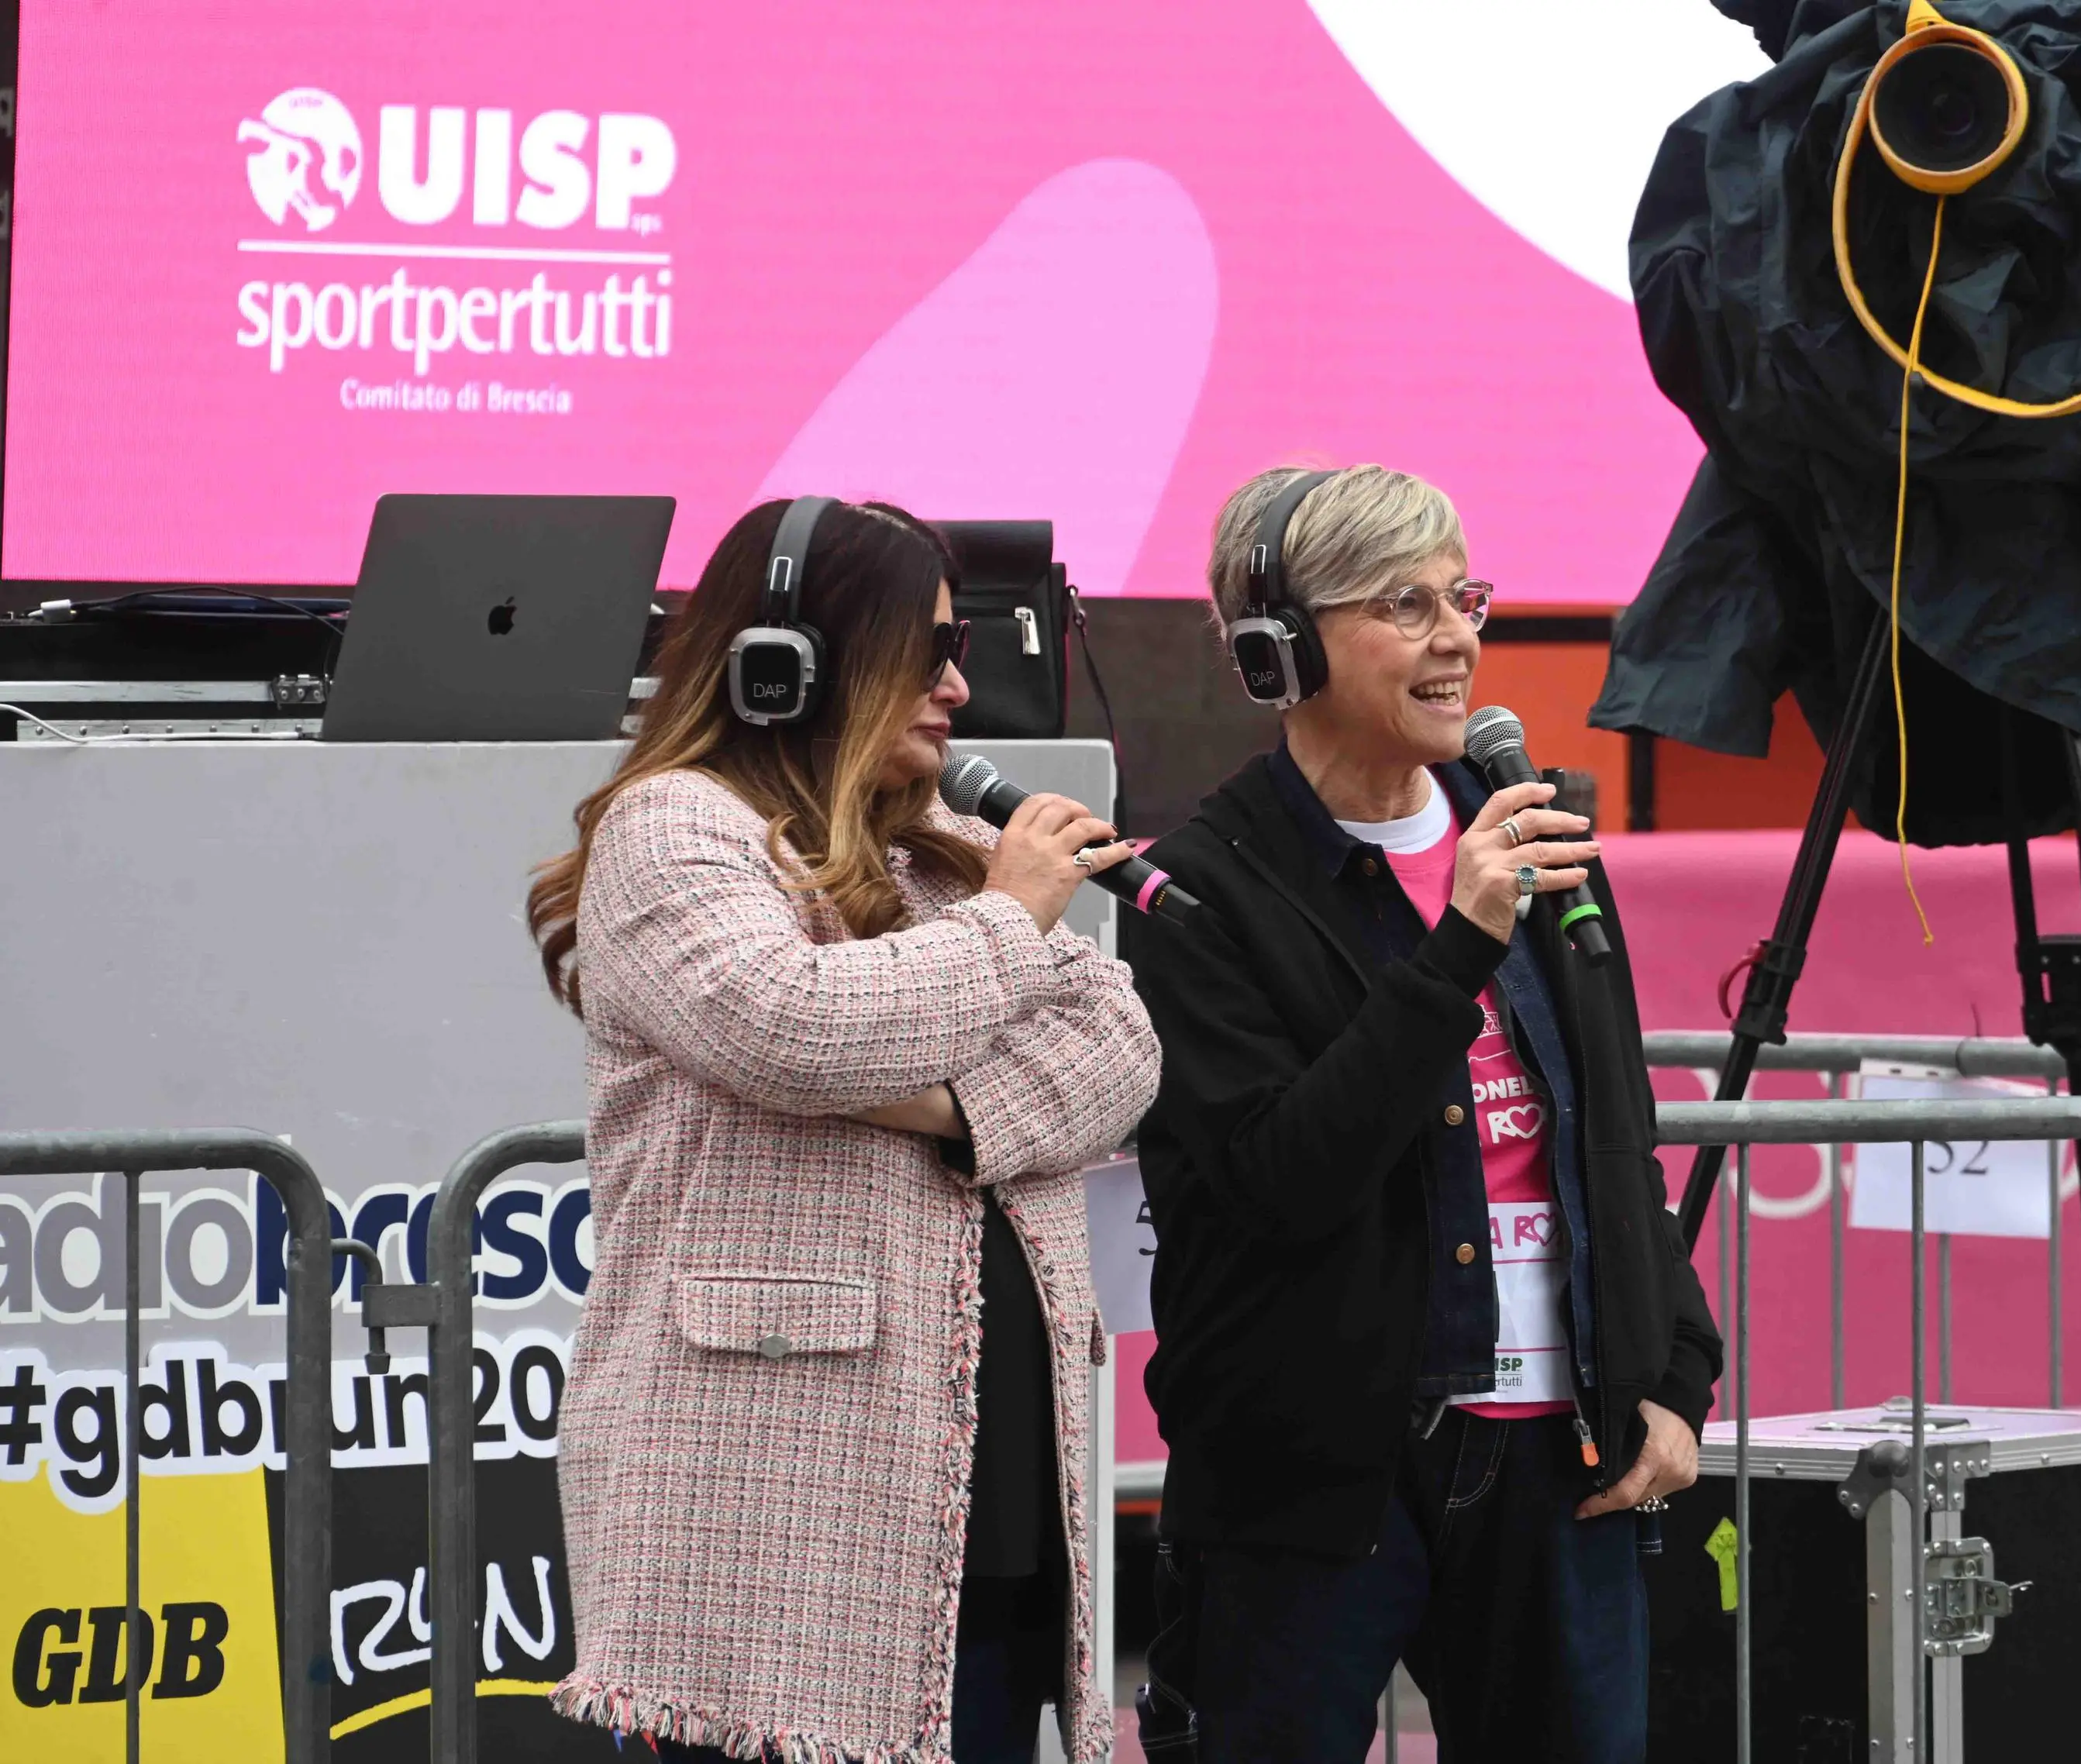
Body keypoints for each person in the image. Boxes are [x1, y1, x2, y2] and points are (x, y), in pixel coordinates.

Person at [523, 496, 1159, 1764]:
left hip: (994, 1507)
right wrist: (1012, 919)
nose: (959, 685)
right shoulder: (673, 827)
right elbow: (794, 1029)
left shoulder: (940, 849)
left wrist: (944, 1108)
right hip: (774, 1526)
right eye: (928, 651)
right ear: (796, 662)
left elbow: (1120, 1050)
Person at [1124, 464, 1724, 1762]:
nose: (1457, 637)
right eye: (1405, 603)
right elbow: (1281, 1178)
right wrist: (1457, 945)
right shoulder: (1199, 895)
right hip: (1315, 1477)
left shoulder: (1536, 839)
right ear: (1280, 650)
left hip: (1564, 1459)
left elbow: (1615, 1141)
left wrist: (1677, 1377)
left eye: (1464, 596)